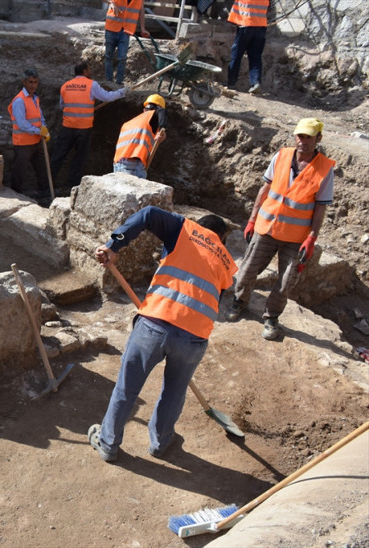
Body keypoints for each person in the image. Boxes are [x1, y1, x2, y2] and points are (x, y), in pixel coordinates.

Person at [88, 206, 237, 462]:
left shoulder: (185, 229)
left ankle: (108, 443)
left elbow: (148, 214)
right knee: (174, 392)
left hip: (155, 324)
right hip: (194, 338)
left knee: (127, 387)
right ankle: (161, 441)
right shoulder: (227, 261)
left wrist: (114, 246)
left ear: (199, 224)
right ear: (221, 238)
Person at [225, 118, 335, 340]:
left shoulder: (324, 169)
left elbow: (320, 207)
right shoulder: (282, 156)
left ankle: (271, 317)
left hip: (296, 237)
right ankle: (239, 301)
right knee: (247, 270)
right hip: (267, 227)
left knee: (286, 282)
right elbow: (265, 189)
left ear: (318, 139)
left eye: (309, 137)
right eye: (300, 136)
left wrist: (312, 238)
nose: (303, 141)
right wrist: (252, 219)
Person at [49, 62, 128, 194]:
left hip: (67, 127)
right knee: (79, 157)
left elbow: (62, 106)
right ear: (85, 71)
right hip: (83, 129)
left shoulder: (65, 86)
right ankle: (71, 185)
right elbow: (107, 97)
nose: (90, 72)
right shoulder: (92, 85)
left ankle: (47, 184)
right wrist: (122, 92)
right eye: (89, 69)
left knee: (58, 156)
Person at [8, 68, 52, 204]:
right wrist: (38, 131)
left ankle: (44, 193)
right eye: (30, 82)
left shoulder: (35, 98)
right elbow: (22, 124)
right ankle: (15, 194)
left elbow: (39, 116)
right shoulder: (19, 101)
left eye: (35, 82)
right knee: (19, 170)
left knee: (42, 168)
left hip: (36, 141)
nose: (33, 85)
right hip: (23, 143)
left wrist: (43, 127)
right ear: (24, 82)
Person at [112, 94, 167, 179]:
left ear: (144, 109)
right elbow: (162, 112)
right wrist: (162, 129)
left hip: (118, 164)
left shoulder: (129, 123)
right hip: (133, 164)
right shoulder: (152, 115)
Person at [226, 0, 269, 94]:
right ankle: (255, 83)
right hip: (261, 27)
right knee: (255, 57)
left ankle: (231, 83)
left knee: (236, 55)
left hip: (245, 25)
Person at [104, 0, 149, 86]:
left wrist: (143, 28)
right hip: (112, 27)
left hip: (126, 30)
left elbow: (141, 10)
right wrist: (111, 3)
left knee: (122, 58)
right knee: (108, 56)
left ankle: (119, 83)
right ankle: (108, 81)